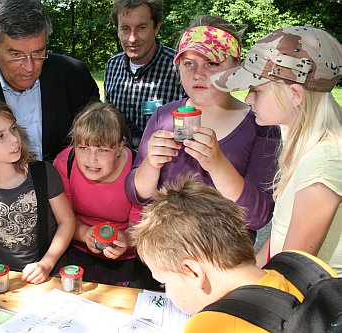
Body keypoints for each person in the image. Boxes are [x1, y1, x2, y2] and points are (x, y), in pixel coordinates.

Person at [125, 15, 281, 241]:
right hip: (165, 252)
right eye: (189, 63)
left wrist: (217, 164)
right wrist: (150, 164)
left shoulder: (261, 125)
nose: (198, 74)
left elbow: (259, 215)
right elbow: (135, 193)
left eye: (212, 63)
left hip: (225, 259)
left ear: (236, 67)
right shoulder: (163, 116)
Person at [130, 173, 338, 332]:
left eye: (164, 282)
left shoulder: (211, 325)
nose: (167, 292)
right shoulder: (303, 265)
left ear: (193, 271)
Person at [211, 26, 342, 274]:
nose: (248, 99)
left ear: (294, 94)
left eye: (256, 89)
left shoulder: (322, 161)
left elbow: (293, 271)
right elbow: (281, 235)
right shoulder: (302, 141)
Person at [0, 0, 99, 161]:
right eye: (16, 55)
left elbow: (101, 134)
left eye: (38, 52)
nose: (29, 67)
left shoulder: (75, 76)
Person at [0, 95, 75, 284]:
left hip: (50, 274)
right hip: (4, 276)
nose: (14, 139)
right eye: (0, 136)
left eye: (13, 129)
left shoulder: (43, 174)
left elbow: (67, 222)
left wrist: (47, 263)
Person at [52, 102, 142, 286]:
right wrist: (85, 234)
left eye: (102, 150)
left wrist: (125, 240)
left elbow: (142, 229)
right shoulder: (64, 164)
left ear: (119, 147)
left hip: (128, 261)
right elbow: (64, 219)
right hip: (77, 254)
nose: (91, 159)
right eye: (83, 148)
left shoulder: (138, 170)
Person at [105, 0, 185, 146]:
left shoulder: (180, 68)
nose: (132, 38)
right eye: (125, 28)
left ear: (156, 27)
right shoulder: (112, 66)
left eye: (141, 27)